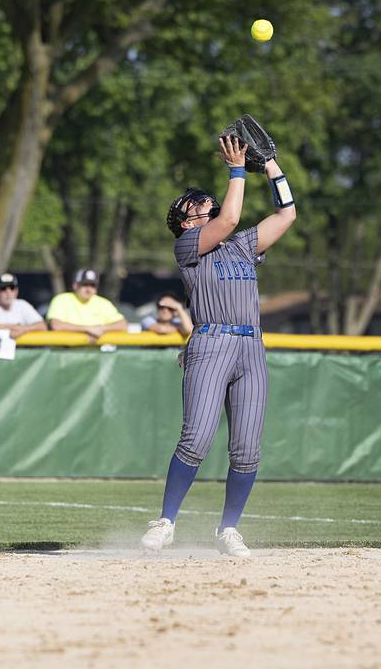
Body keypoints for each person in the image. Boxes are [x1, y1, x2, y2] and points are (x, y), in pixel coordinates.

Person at [140, 133, 296, 558]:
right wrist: (235, 169)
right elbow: (227, 219)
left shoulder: (242, 248)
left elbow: (287, 213)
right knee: (196, 437)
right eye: (194, 206)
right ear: (186, 223)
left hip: (251, 350)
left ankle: (228, 529)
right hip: (211, 343)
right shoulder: (189, 246)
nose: (202, 205)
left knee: (246, 448)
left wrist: (270, 165)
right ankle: (166, 521)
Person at [46, 269, 127, 341]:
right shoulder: (62, 299)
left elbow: (123, 325)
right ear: (75, 285)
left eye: (92, 286)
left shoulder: (103, 303)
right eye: (84, 285)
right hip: (65, 353)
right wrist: (88, 329)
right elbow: (56, 326)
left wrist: (101, 328)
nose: (88, 289)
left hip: (95, 353)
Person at [0, 272, 47, 339]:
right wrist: (11, 327)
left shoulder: (22, 305)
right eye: (3, 288)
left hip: (19, 351)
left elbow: (42, 326)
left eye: (12, 288)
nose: (8, 292)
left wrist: (23, 329)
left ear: (16, 291)